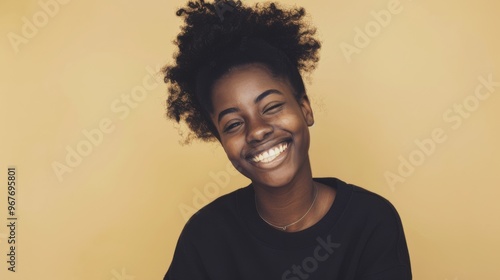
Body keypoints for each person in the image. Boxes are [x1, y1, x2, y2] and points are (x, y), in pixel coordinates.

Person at [162, 0, 412, 279]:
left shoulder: (371, 222)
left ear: (305, 109)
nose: (256, 130)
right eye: (233, 123)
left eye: (271, 107)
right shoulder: (206, 236)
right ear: (221, 142)